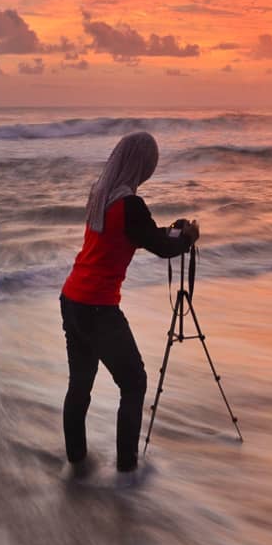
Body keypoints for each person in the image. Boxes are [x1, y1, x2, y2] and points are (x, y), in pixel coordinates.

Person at [59, 131, 199, 483]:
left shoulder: (100, 193)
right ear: (141, 165)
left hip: (73, 299)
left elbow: (143, 235)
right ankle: (126, 471)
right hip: (98, 308)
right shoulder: (130, 205)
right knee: (134, 382)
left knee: (80, 384)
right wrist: (187, 238)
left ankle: (75, 463)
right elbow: (159, 245)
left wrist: (172, 233)